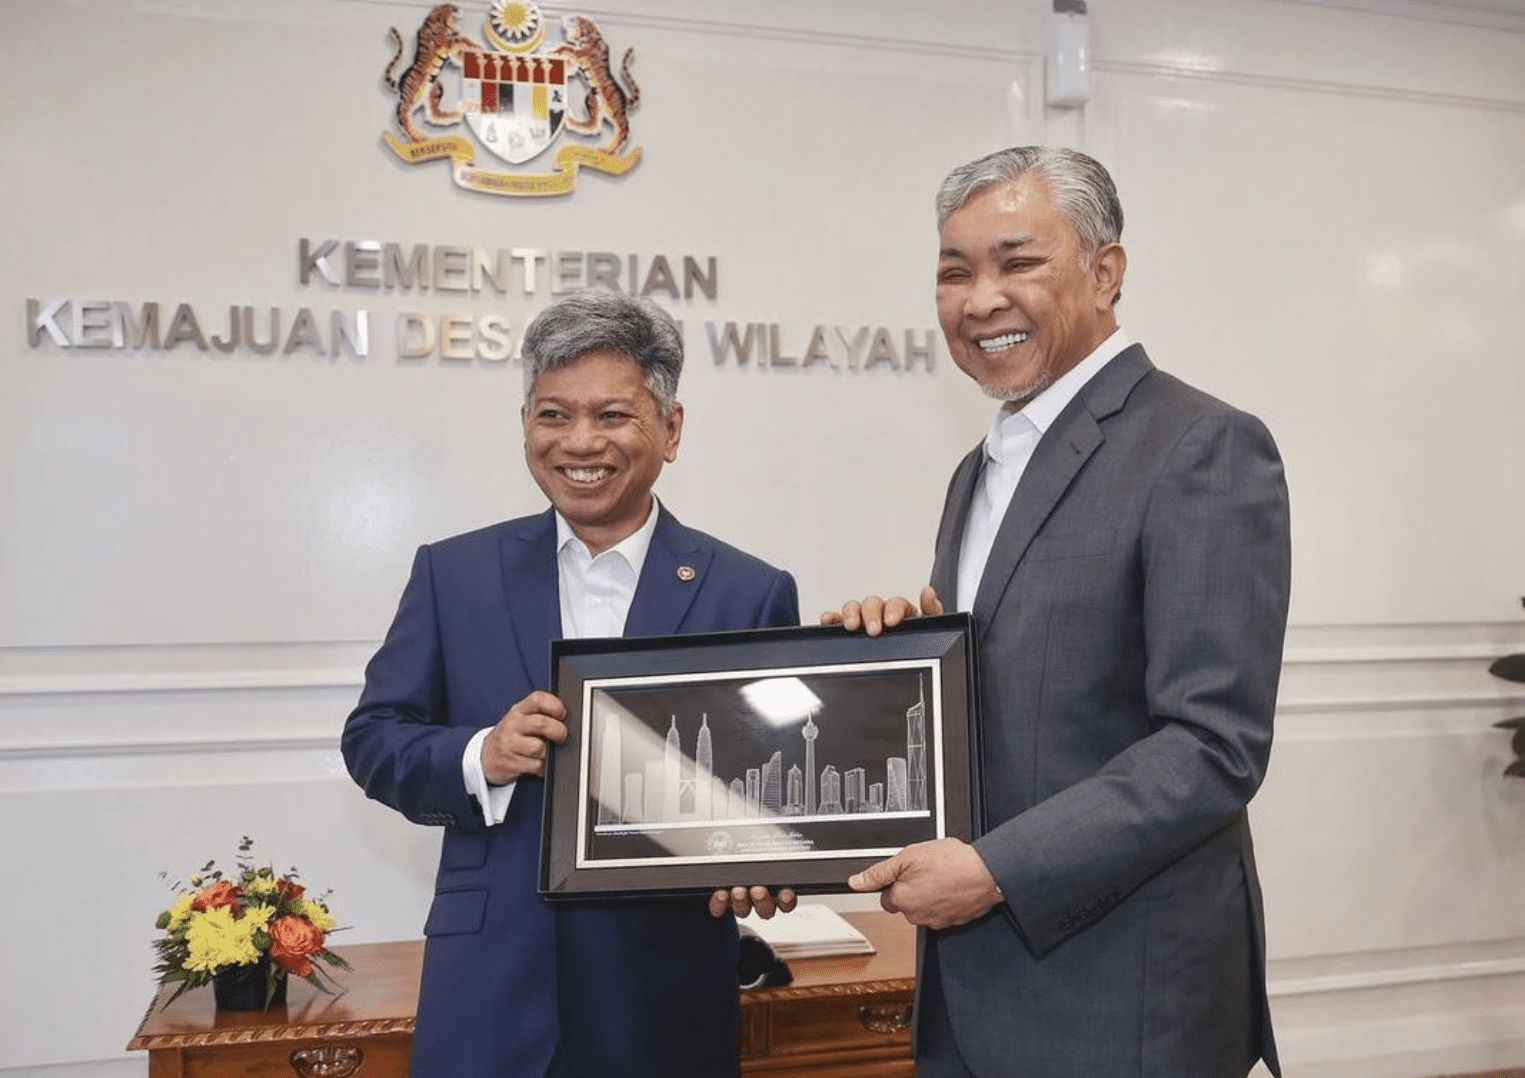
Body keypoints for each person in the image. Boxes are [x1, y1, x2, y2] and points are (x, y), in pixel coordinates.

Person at [826, 147, 1291, 1077]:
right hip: (972, 986)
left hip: (1117, 996)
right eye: (953, 272)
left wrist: (996, 871)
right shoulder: (982, 468)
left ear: (1104, 272)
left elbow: (1211, 745)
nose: (980, 298)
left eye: (1017, 262)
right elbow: (1016, 686)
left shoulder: (1201, 445)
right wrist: (901, 660)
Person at [343, 289, 800, 1078]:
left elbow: (776, 791)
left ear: (671, 428)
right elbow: (374, 736)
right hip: (489, 990)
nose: (578, 442)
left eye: (612, 416)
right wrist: (481, 754)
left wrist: (766, 860)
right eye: (552, 415)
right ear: (525, 423)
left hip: (661, 996)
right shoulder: (453, 573)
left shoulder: (747, 591)